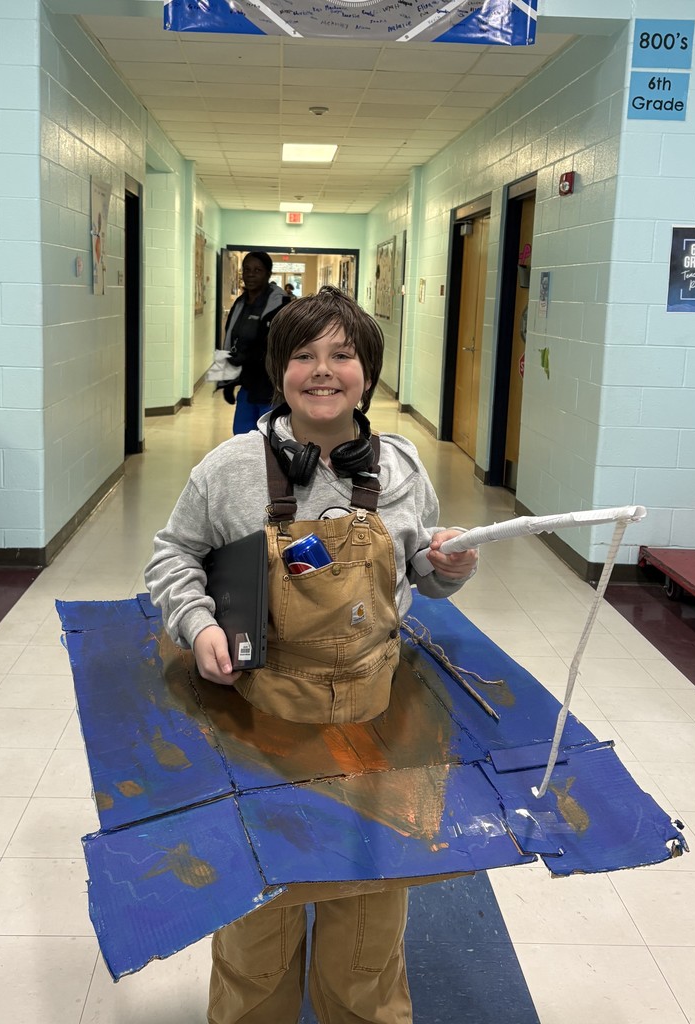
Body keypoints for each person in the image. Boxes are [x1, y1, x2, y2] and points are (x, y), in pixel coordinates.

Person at [145, 286, 478, 1024]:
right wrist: (198, 624)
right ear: (279, 369)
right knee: (255, 941)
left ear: (369, 373)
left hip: (374, 730)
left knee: (366, 942)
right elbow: (172, 559)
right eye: (303, 355)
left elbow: (422, 569)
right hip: (258, 726)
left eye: (342, 355)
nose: (322, 371)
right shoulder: (228, 467)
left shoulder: (401, 468)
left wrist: (446, 570)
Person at [222, 251, 291, 434]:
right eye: (246, 269)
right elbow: (230, 341)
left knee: (270, 439)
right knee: (241, 437)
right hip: (248, 384)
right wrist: (227, 381)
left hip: (272, 387)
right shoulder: (240, 304)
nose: (250, 274)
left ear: (268, 274)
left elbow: (280, 346)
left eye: (257, 270)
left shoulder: (281, 305)